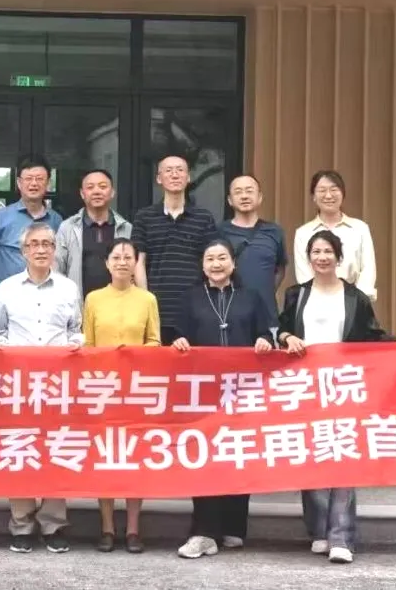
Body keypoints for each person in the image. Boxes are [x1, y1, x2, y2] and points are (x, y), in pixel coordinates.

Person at [277, 229, 396, 564]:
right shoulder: (295, 294)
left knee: (343, 456)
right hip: (305, 387)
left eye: (327, 252)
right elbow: (281, 328)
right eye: (316, 252)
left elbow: (374, 336)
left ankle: (341, 537)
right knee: (312, 455)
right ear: (309, 257)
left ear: (338, 257)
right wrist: (288, 337)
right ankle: (319, 529)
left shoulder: (355, 297)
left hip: (343, 386)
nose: (322, 257)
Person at [171, 238, 275, 559]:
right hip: (203, 393)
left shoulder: (251, 296)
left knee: (238, 452)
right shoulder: (190, 298)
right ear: (202, 266)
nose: (216, 264)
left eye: (222, 258)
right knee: (204, 457)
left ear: (233, 263)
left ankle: (233, 527)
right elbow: (175, 334)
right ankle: (204, 532)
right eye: (210, 259)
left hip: (243, 390)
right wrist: (179, 341)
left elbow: (266, 332)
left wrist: (264, 341)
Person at [0, 222, 83, 554]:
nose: (41, 250)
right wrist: (8, 351)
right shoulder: (7, 288)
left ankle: (54, 524)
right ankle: (22, 524)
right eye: (34, 244)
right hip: (19, 385)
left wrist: (75, 345)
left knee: (56, 450)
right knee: (21, 449)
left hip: (58, 385)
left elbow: (76, 330)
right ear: (24, 251)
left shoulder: (69, 288)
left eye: (47, 244)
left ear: (55, 250)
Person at [81, 238, 159, 553]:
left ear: (135, 263)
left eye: (128, 257)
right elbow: (87, 344)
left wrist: (134, 356)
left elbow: (155, 341)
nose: (123, 262)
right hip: (102, 389)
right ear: (107, 263)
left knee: (134, 458)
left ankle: (134, 529)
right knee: (105, 457)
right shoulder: (93, 299)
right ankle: (107, 527)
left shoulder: (147, 299)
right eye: (116, 257)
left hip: (136, 389)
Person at [132, 154, 218, 344]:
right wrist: (146, 302)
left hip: (196, 309)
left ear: (188, 177)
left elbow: (212, 262)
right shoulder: (144, 217)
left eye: (180, 170)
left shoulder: (204, 217)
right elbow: (139, 262)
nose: (175, 175)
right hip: (158, 308)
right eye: (168, 170)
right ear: (159, 178)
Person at [0, 156, 63, 298]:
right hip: (7, 298)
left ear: (48, 183)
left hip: (45, 297)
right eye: (28, 179)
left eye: (39, 179)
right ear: (19, 183)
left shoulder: (56, 220)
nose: (34, 183)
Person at [55, 168, 133, 310]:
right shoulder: (67, 228)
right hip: (78, 308)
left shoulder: (126, 229)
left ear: (112, 192)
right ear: (82, 193)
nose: (97, 191)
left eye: (103, 187)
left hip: (118, 309)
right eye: (90, 187)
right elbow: (57, 270)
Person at [293, 170, 377, 301]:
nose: (328, 196)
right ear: (313, 196)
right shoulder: (303, 233)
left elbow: (368, 269)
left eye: (334, 190)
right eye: (322, 190)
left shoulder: (360, 228)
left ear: (343, 193)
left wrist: (358, 301)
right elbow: (304, 274)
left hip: (354, 300)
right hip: (316, 301)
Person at [219, 174, 288, 327]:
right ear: (230, 200)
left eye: (249, 191)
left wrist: (264, 290)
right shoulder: (220, 232)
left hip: (267, 316)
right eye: (238, 192)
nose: (244, 196)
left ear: (260, 197)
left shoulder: (274, 231)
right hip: (229, 317)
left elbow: (280, 270)